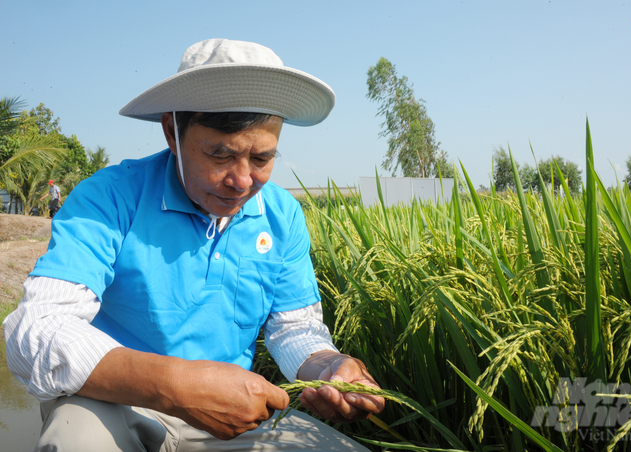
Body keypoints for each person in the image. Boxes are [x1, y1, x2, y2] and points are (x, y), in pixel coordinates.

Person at [4, 39, 384, 451]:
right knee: (76, 436)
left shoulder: (282, 215)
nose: (242, 181)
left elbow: (294, 328)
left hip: (232, 417)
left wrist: (328, 367)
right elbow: (35, 332)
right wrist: (178, 386)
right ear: (172, 131)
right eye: (220, 155)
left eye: (261, 159)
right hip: (117, 406)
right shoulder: (110, 199)